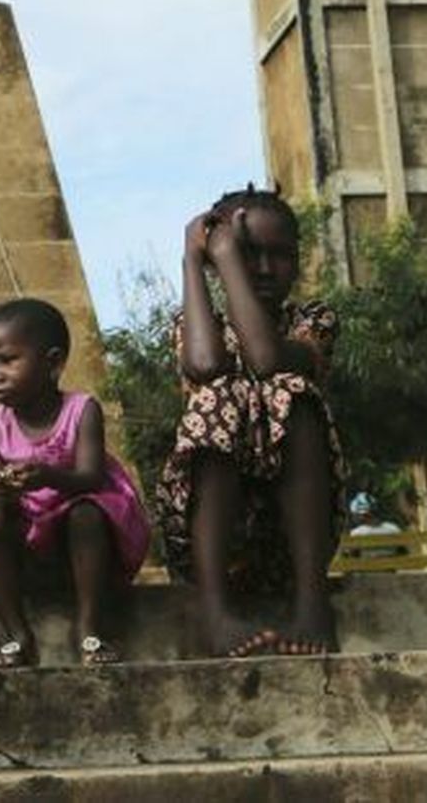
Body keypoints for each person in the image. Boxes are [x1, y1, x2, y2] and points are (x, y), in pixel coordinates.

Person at [156, 186, 346, 657]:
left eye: (277, 255)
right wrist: (193, 261)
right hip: (214, 545)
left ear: (298, 262)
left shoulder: (313, 322)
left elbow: (264, 359)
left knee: (291, 392)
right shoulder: (198, 324)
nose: (261, 268)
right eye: (247, 255)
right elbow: (202, 366)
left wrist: (225, 252)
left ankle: (311, 604)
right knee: (217, 394)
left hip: (291, 545)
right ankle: (214, 611)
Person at [0, 299, 150, 667]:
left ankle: (89, 631)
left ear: (52, 364)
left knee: (87, 513)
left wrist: (46, 474)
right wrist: (4, 491)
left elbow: (91, 477)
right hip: (27, 536)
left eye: (7, 360)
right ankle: (17, 635)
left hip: (83, 534)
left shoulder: (82, 410)